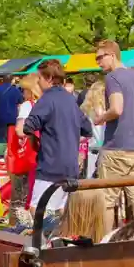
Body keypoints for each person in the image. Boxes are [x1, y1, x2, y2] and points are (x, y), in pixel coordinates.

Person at [93, 39, 134, 229]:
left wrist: (101, 117)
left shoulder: (112, 78)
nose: (98, 63)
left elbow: (117, 109)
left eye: (100, 58)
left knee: (108, 199)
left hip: (115, 147)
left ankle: (107, 242)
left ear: (111, 55)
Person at [23, 60, 93, 214]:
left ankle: (41, 238)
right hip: (70, 166)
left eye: (40, 79)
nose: (39, 83)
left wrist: (34, 140)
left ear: (48, 78)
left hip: (50, 163)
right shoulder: (71, 100)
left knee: (37, 208)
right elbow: (87, 129)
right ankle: (61, 237)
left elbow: (28, 125)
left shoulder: (47, 99)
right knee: (62, 210)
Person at [9, 74, 42, 225]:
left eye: (24, 90)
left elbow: (19, 130)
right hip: (41, 152)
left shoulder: (27, 105)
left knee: (21, 193)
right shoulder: (44, 103)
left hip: (26, 152)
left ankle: (18, 225)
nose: (22, 93)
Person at [0, 75, 23, 143]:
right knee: (11, 137)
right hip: (13, 117)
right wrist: (19, 115)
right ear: (12, 80)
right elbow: (20, 105)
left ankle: (2, 151)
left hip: (0, 116)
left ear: (3, 80)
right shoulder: (16, 90)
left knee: (1, 137)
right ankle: (10, 151)